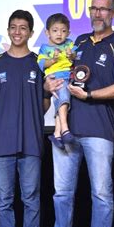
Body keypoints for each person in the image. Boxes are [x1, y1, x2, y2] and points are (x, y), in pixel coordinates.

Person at [42, 0, 114, 227]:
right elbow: (56, 71)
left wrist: (89, 96)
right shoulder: (77, 42)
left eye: (104, 9)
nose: (97, 14)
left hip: (99, 131)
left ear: (113, 13)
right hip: (66, 131)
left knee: (102, 193)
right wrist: (47, 86)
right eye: (94, 8)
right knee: (62, 193)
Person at [0, 10, 50, 227]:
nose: (17, 32)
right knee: (4, 200)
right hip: (1, 142)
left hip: (31, 142)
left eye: (23, 28)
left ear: (31, 33)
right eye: (13, 27)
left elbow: (45, 102)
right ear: (8, 29)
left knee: (30, 198)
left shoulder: (40, 63)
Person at [37, 13, 76, 149]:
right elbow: (41, 64)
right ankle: (65, 129)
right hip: (56, 77)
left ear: (68, 32)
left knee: (62, 102)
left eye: (63, 31)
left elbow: (76, 56)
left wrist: (72, 55)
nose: (59, 34)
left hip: (69, 76)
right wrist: (52, 60)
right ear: (47, 32)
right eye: (55, 30)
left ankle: (57, 133)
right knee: (64, 98)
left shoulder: (70, 44)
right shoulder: (44, 48)